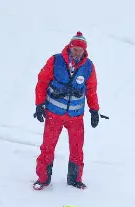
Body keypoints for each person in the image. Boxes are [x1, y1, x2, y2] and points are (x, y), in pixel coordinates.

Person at [32, 32, 100, 190]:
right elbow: (42, 82)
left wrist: (94, 110)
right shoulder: (55, 61)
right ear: (70, 47)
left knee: (77, 148)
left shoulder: (88, 67)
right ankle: (43, 178)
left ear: (84, 51)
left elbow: (91, 90)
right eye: (75, 49)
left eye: (80, 50)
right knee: (47, 147)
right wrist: (39, 104)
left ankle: (74, 179)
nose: (77, 52)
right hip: (54, 114)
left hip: (76, 117)